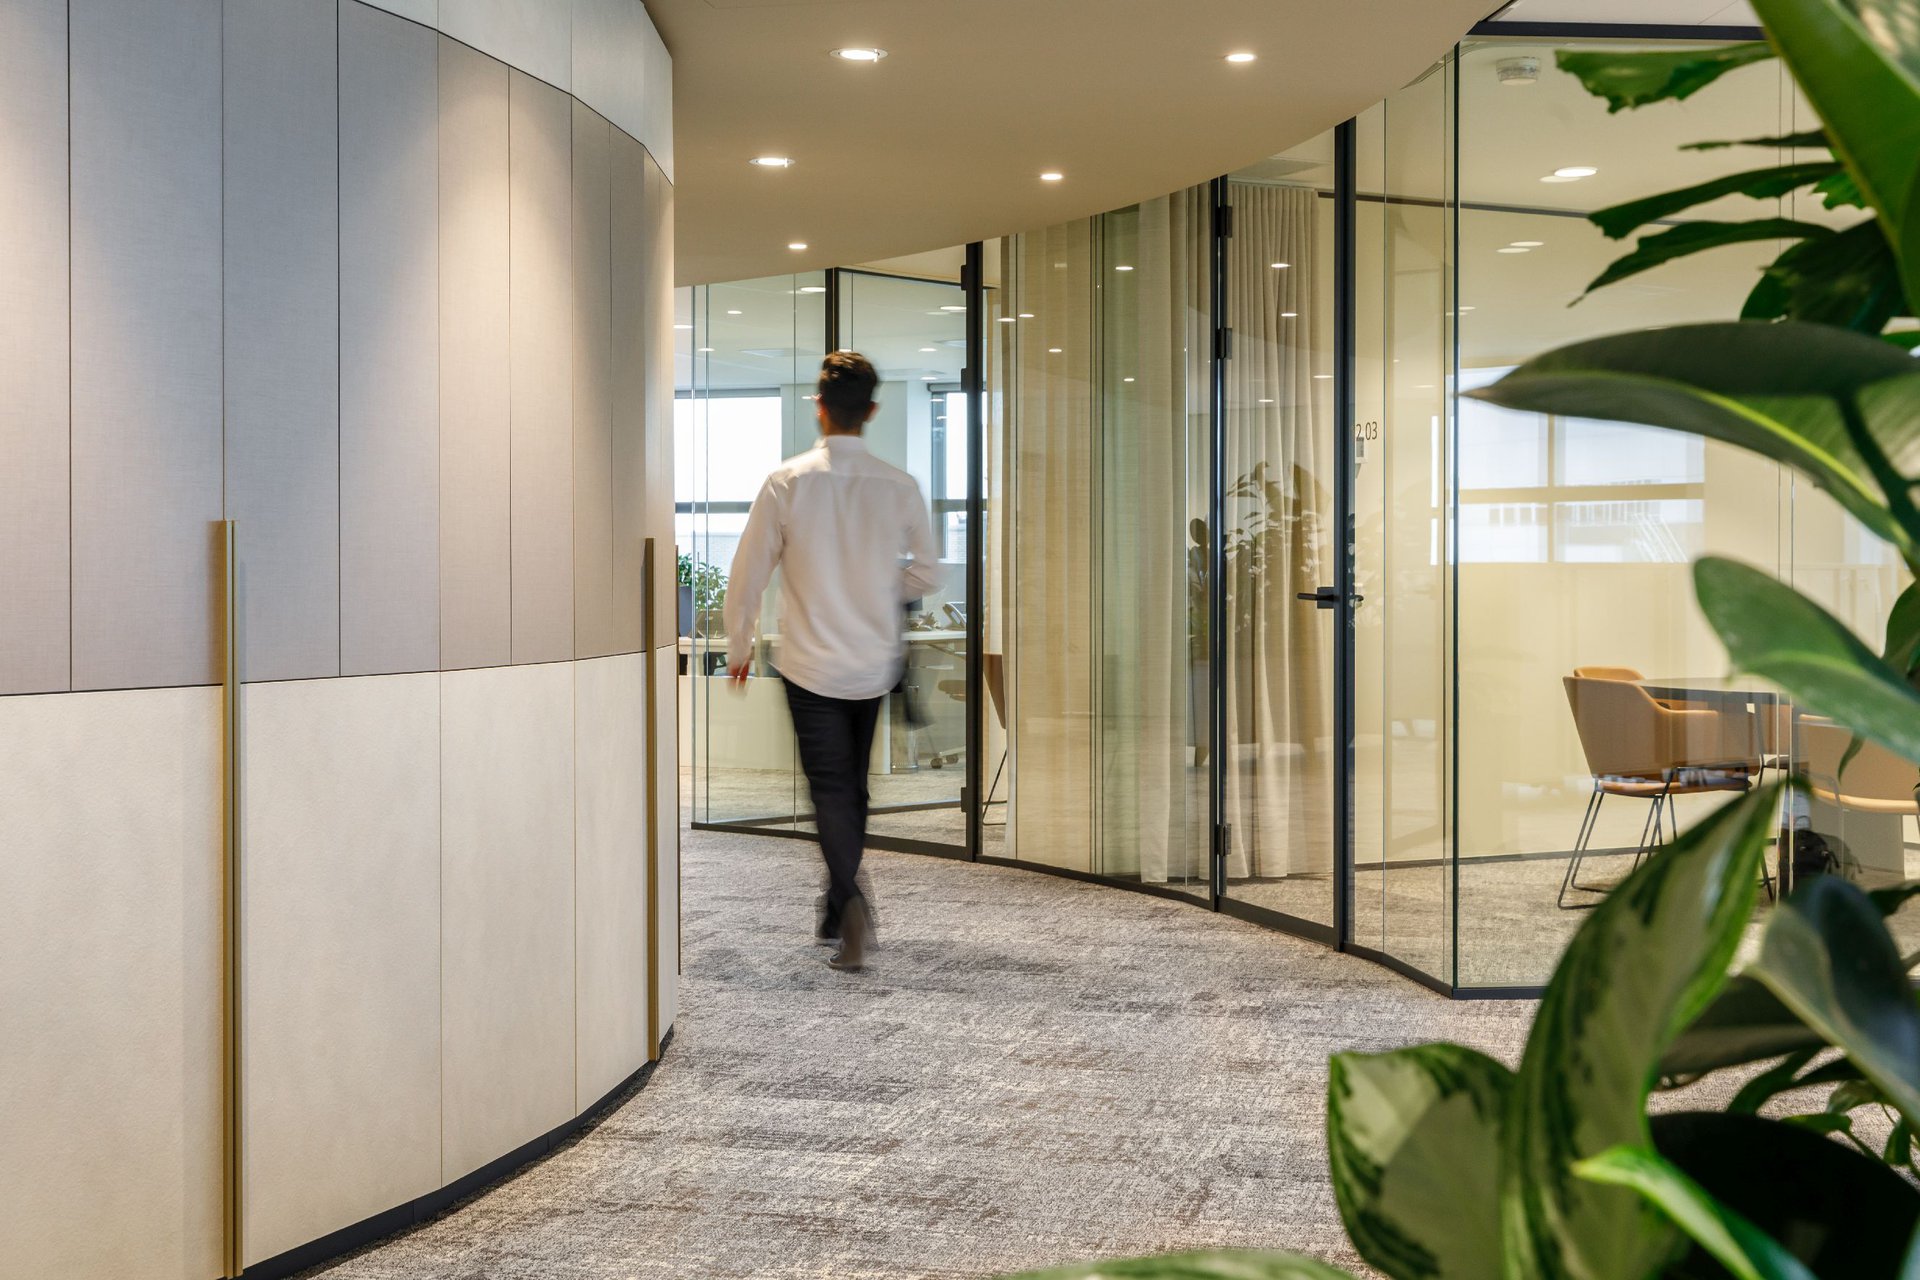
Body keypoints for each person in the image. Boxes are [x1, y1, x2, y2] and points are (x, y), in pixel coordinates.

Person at [722, 351, 943, 971]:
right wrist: (878, 587)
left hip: (810, 665)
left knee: (830, 789)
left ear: (819, 407)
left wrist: (739, 645)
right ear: (871, 411)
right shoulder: (899, 486)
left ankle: (849, 902)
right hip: (873, 662)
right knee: (853, 785)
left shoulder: (787, 482)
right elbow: (927, 573)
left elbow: (749, 572)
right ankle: (835, 902)